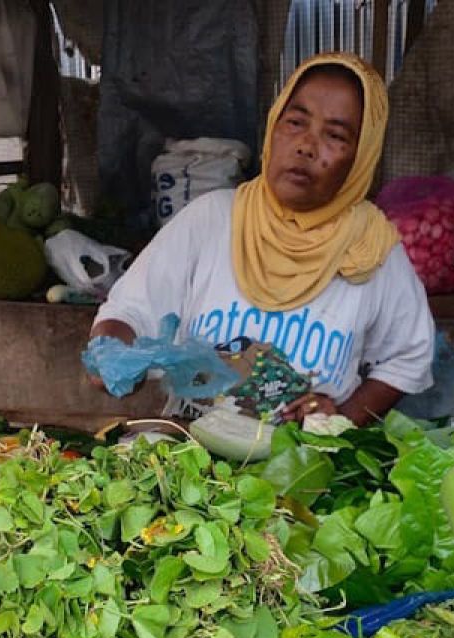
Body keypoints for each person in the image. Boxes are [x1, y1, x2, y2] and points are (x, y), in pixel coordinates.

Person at [88, 52, 435, 426]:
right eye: (296, 122)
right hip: (191, 452)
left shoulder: (372, 249)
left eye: (335, 136)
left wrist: (343, 417)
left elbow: (409, 355)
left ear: (361, 157)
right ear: (274, 126)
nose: (306, 145)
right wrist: (113, 356)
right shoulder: (211, 219)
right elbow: (128, 311)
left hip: (301, 463)